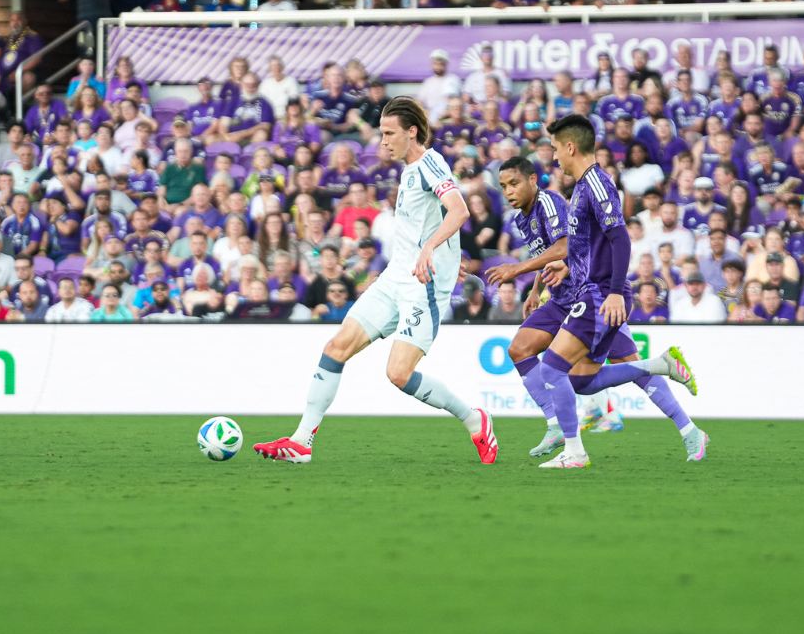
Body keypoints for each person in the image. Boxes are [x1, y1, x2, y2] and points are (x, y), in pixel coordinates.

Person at [253, 98, 498, 465]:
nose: (382, 141)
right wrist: (445, 251)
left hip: (422, 284)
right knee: (336, 347)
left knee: (398, 374)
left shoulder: (430, 161)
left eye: (389, 133)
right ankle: (301, 441)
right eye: (381, 133)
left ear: (411, 131)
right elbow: (430, 221)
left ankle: (473, 418)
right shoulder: (409, 169)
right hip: (395, 276)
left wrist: (432, 251)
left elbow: (459, 210)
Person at [524, 115, 703, 469]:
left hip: (600, 294)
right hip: (593, 289)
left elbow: (619, 237)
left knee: (551, 370)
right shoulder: (584, 187)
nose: (555, 157)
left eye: (557, 149)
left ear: (571, 147)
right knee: (583, 380)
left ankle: (575, 452)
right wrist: (567, 265)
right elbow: (590, 243)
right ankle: (661, 365)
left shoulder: (597, 184)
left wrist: (615, 292)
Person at [482, 157, 652, 454]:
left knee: (619, 366)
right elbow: (546, 254)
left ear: (533, 180)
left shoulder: (547, 202)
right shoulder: (522, 217)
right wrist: (536, 290)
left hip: (586, 295)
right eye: (503, 186)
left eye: (514, 183)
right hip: (561, 298)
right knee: (520, 349)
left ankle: (677, 415)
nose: (508, 191)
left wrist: (516, 269)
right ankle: (557, 425)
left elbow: (564, 246)